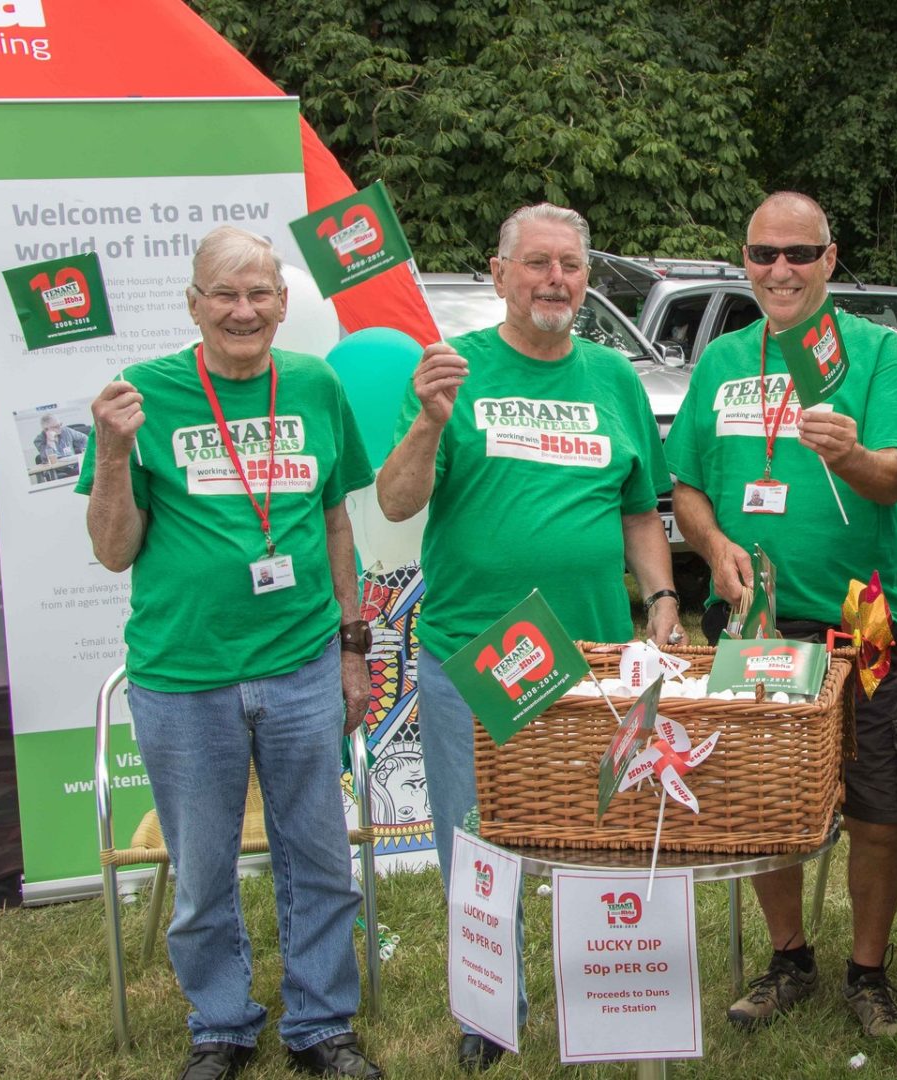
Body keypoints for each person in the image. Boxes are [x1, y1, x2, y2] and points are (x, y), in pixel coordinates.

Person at [375, 202, 681, 1072]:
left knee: (601, 831)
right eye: (538, 263)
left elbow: (638, 510)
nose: (556, 280)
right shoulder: (451, 371)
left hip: (589, 659)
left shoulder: (614, 378)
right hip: (477, 653)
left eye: (572, 266)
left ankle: (607, 991)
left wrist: (660, 595)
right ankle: (489, 1006)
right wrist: (431, 421)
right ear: (499, 273)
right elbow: (397, 503)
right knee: (477, 839)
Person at [78, 226, 384, 1080]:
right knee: (204, 868)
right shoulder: (143, 396)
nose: (243, 310)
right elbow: (112, 547)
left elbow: (334, 522)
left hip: (300, 665)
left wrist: (353, 648)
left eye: (260, 293)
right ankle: (221, 1024)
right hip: (184, 675)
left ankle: (323, 1025)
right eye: (225, 294)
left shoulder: (317, 386)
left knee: (319, 858)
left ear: (284, 304)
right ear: (194, 304)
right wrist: (109, 454)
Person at [663, 191, 897, 1039]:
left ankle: (869, 972)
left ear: (830, 258)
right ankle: (790, 958)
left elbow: (894, 477)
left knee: (878, 795)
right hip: (752, 616)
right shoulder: (722, 360)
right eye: (763, 254)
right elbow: (688, 486)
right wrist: (710, 548)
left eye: (799, 254)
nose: (780, 270)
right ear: (744, 261)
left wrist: (848, 450)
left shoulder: (878, 351)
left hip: (865, 611)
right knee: (757, 794)